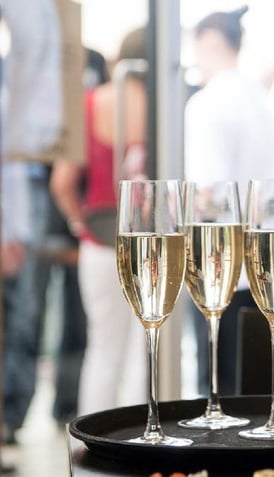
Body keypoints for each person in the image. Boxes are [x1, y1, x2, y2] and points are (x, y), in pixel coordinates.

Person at [183, 7, 274, 397]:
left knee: (217, 386)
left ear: (209, 43)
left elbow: (208, 195)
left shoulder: (208, 104)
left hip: (217, 266)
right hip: (259, 266)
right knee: (252, 383)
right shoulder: (259, 102)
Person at [50, 28, 148, 416]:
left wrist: (79, 223)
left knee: (104, 348)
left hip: (99, 239)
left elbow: (62, 182)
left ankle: (92, 443)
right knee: (147, 350)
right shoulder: (165, 108)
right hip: (152, 244)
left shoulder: (89, 104)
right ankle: (143, 445)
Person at [1, 0, 61, 445]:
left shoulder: (19, 84)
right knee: (19, 315)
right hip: (15, 211)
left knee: (24, 315)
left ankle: (11, 416)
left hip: (22, 203)